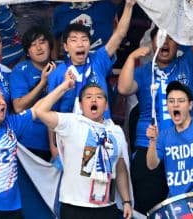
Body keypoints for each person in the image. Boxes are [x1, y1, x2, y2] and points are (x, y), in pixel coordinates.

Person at [0, 51, 75, 219]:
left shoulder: (12, 124)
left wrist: (64, 86)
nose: (3, 101)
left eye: (3, 98)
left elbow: (39, 108)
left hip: (12, 209)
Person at [118, 30, 193, 212]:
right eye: (161, 38)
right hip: (147, 144)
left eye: (171, 38)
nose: (165, 42)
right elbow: (124, 88)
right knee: (147, 206)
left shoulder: (188, 63)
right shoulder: (143, 72)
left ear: (178, 43)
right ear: (152, 43)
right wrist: (132, 57)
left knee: (183, 208)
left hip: (183, 148)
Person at [34, 76, 133, 219]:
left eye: (99, 97)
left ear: (106, 105)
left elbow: (120, 168)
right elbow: (40, 111)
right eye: (88, 97)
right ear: (80, 105)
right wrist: (64, 87)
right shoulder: (71, 123)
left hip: (105, 207)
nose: (94, 100)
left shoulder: (116, 131)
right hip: (75, 206)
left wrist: (126, 201)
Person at [46, 0, 136, 116]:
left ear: (89, 44)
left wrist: (129, 5)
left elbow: (119, 34)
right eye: (74, 40)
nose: (80, 44)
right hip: (71, 132)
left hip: (100, 130)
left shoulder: (98, 60)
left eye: (84, 40)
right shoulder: (57, 73)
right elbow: (51, 113)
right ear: (66, 47)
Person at [145, 81, 193, 202]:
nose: (175, 105)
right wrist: (153, 142)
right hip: (175, 203)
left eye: (181, 101)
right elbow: (151, 165)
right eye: (171, 101)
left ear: (190, 105)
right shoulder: (164, 135)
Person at [7, 25, 56, 160]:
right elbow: (18, 107)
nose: (39, 48)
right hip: (29, 141)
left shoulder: (62, 68)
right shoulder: (20, 70)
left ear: (50, 45)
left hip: (60, 138)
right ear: (28, 52)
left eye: (42, 42)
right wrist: (42, 82)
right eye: (33, 45)